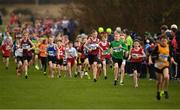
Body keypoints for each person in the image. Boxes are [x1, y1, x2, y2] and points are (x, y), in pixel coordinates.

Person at [149, 34, 174, 100]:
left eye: (165, 41)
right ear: (160, 41)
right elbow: (151, 55)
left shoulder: (169, 47)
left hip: (165, 65)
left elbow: (171, 55)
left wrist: (172, 58)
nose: (164, 42)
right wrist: (152, 59)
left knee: (166, 77)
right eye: (162, 41)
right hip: (158, 65)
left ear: (167, 41)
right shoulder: (157, 47)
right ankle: (158, 92)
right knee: (159, 81)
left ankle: (166, 91)